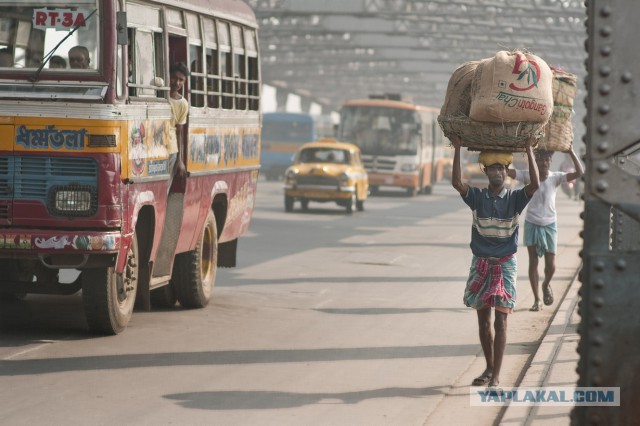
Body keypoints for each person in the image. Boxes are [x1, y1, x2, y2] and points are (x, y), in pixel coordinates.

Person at [451, 134, 539, 389]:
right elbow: (457, 182)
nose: (497, 172)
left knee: (501, 320)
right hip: (480, 263)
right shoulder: (477, 197)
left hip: (504, 264)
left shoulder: (515, 199)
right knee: (483, 320)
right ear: (486, 171)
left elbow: (534, 184)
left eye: (501, 167)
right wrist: (457, 148)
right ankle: (489, 367)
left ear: (506, 171)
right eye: (493, 168)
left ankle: (497, 375)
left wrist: (528, 149)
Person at [507, 147, 584, 311]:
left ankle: (546, 284)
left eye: (547, 160)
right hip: (532, 222)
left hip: (550, 224)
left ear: (550, 162)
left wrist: (570, 151)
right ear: (536, 162)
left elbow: (579, 173)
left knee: (551, 265)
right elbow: (509, 172)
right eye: (541, 160)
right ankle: (537, 300)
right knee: (533, 262)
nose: (544, 163)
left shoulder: (555, 177)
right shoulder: (528, 175)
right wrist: (506, 154)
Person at [167, 62, 189, 192]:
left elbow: (179, 132)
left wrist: (180, 160)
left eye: (181, 80)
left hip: (171, 150)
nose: (177, 83)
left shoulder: (183, 104)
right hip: (154, 149)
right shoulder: (159, 95)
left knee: (165, 189)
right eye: (174, 78)